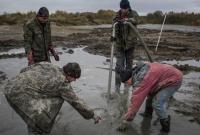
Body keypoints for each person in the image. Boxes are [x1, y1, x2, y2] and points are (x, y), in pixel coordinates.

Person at [4, 62, 101, 135]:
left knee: (36, 111)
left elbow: (25, 70)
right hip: (18, 94)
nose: (74, 80)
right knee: (39, 123)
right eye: (74, 78)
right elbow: (76, 102)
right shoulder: (63, 84)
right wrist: (92, 115)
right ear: (69, 74)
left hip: (10, 84)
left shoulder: (48, 65)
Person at [118, 62, 183, 132]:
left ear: (130, 77)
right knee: (150, 96)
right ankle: (148, 115)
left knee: (157, 103)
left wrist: (126, 120)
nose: (127, 84)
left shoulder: (142, 79)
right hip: (164, 77)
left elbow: (136, 102)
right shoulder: (138, 71)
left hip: (174, 80)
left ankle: (165, 124)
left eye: (127, 82)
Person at [113, 0, 139, 93]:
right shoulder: (117, 15)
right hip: (120, 45)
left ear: (128, 7)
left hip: (130, 44)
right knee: (119, 66)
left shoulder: (133, 13)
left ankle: (127, 87)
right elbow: (113, 24)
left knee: (129, 66)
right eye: (122, 8)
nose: (123, 10)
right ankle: (117, 88)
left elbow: (136, 20)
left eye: (125, 8)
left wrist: (128, 20)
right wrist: (118, 22)